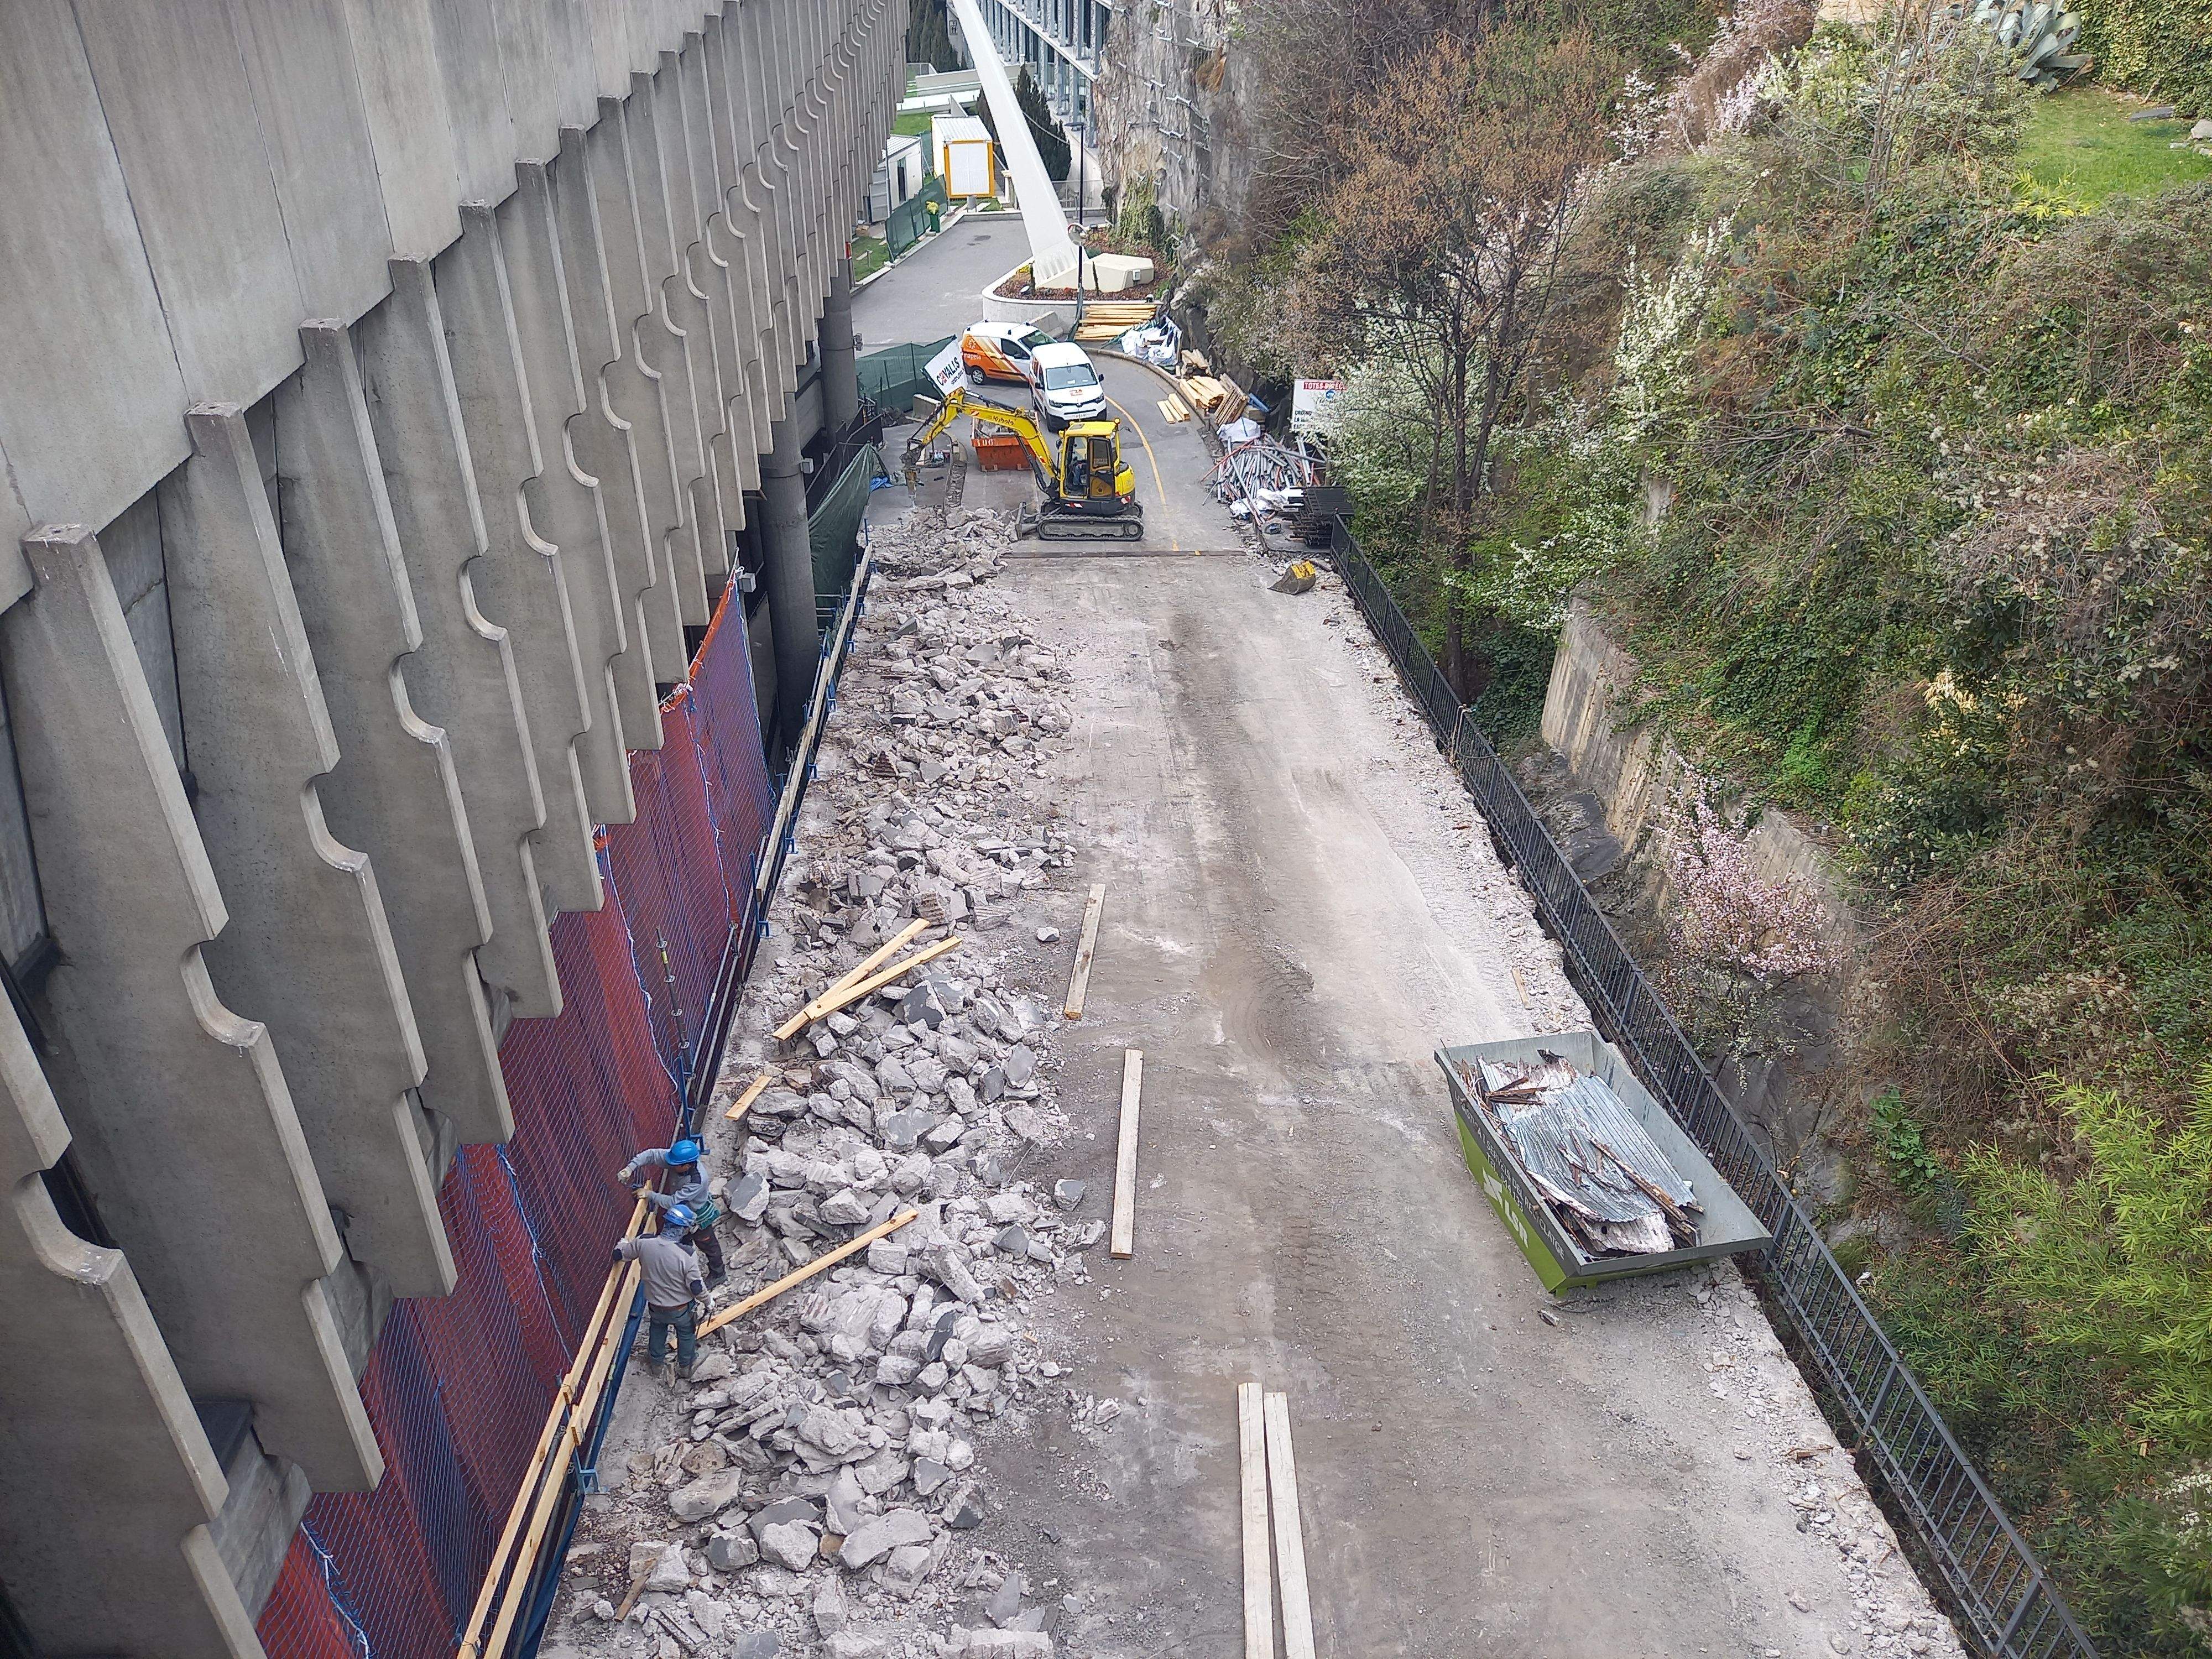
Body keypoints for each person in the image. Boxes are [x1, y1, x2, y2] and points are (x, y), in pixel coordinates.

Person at [616, 1136, 725, 1285]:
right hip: (680, 1215)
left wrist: (649, 1195)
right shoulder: (676, 1161)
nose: (670, 1165)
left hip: (696, 1214)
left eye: (676, 1165)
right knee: (682, 1244)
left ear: (687, 1166)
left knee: (707, 1244)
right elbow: (652, 1155)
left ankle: (718, 1273)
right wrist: (630, 1168)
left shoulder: (697, 1181)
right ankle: (686, 1266)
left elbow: (673, 1201)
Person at [614, 1207, 705, 1379]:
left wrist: (624, 1243)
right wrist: (709, 1303)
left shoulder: (644, 1243)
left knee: (657, 1330)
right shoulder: (686, 1255)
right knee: (686, 1334)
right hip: (680, 1309)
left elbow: (619, 1254)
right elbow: (696, 1287)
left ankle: (656, 1365)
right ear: (683, 1230)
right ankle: (685, 1366)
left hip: (656, 1306)